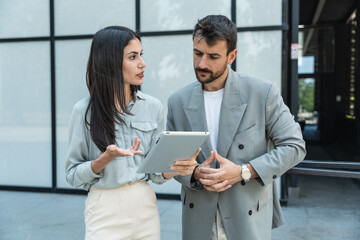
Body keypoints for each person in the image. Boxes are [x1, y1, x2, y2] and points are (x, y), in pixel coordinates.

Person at [166, 15, 306, 240]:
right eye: (197, 53)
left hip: (247, 218)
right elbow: (170, 161)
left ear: (232, 56)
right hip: (199, 220)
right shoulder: (177, 101)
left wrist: (243, 171)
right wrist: (194, 173)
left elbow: (295, 146)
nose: (202, 64)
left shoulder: (262, 92)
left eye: (213, 56)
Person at [65, 26, 198, 240]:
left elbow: (155, 173)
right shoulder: (84, 111)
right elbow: (72, 176)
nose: (142, 63)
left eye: (141, 55)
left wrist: (175, 168)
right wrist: (105, 159)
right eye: (132, 57)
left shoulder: (153, 107)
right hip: (104, 209)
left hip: (144, 206)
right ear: (110, 61)